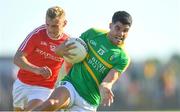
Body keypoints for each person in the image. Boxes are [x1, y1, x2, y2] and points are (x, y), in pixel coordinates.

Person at [34, 10, 133, 111]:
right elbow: (67, 52)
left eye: (125, 30)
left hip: (88, 102)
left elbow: (109, 80)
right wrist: (60, 50)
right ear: (110, 25)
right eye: (118, 28)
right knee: (52, 103)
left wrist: (106, 87)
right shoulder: (92, 34)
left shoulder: (123, 58)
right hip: (71, 85)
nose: (121, 33)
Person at [12, 6, 76, 111]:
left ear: (64, 24)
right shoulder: (37, 34)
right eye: (48, 25)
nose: (50, 29)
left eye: (55, 26)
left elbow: (71, 68)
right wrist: (37, 70)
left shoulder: (68, 43)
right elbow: (17, 58)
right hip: (22, 83)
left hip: (44, 88)